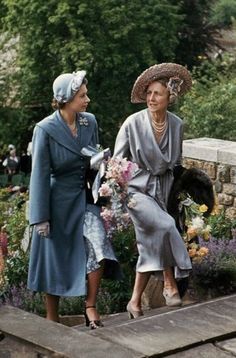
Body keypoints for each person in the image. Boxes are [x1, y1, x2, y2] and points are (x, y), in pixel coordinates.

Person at [27, 70, 121, 328]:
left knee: (99, 245)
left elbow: (94, 161)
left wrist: (106, 173)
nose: (87, 99)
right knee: (53, 255)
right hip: (56, 204)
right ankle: (51, 317)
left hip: (84, 198)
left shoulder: (89, 122)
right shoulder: (45, 129)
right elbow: (39, 174)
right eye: (82, 95)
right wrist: (40, 217)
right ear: (66, 99)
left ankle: (90, 307)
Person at [113, 63, 193, 318]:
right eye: (148, 93)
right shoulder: (132, 123)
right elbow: (116, 162)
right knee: (167, 227)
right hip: (136, 192)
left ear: (169, 96)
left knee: (151, 243)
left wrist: (182, 196)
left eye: (157, 93)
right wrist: (118, 197)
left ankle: (134, 302)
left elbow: (177, 163)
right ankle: (171, 279)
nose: (151, 98)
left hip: (164, 189)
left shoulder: (177, 125)